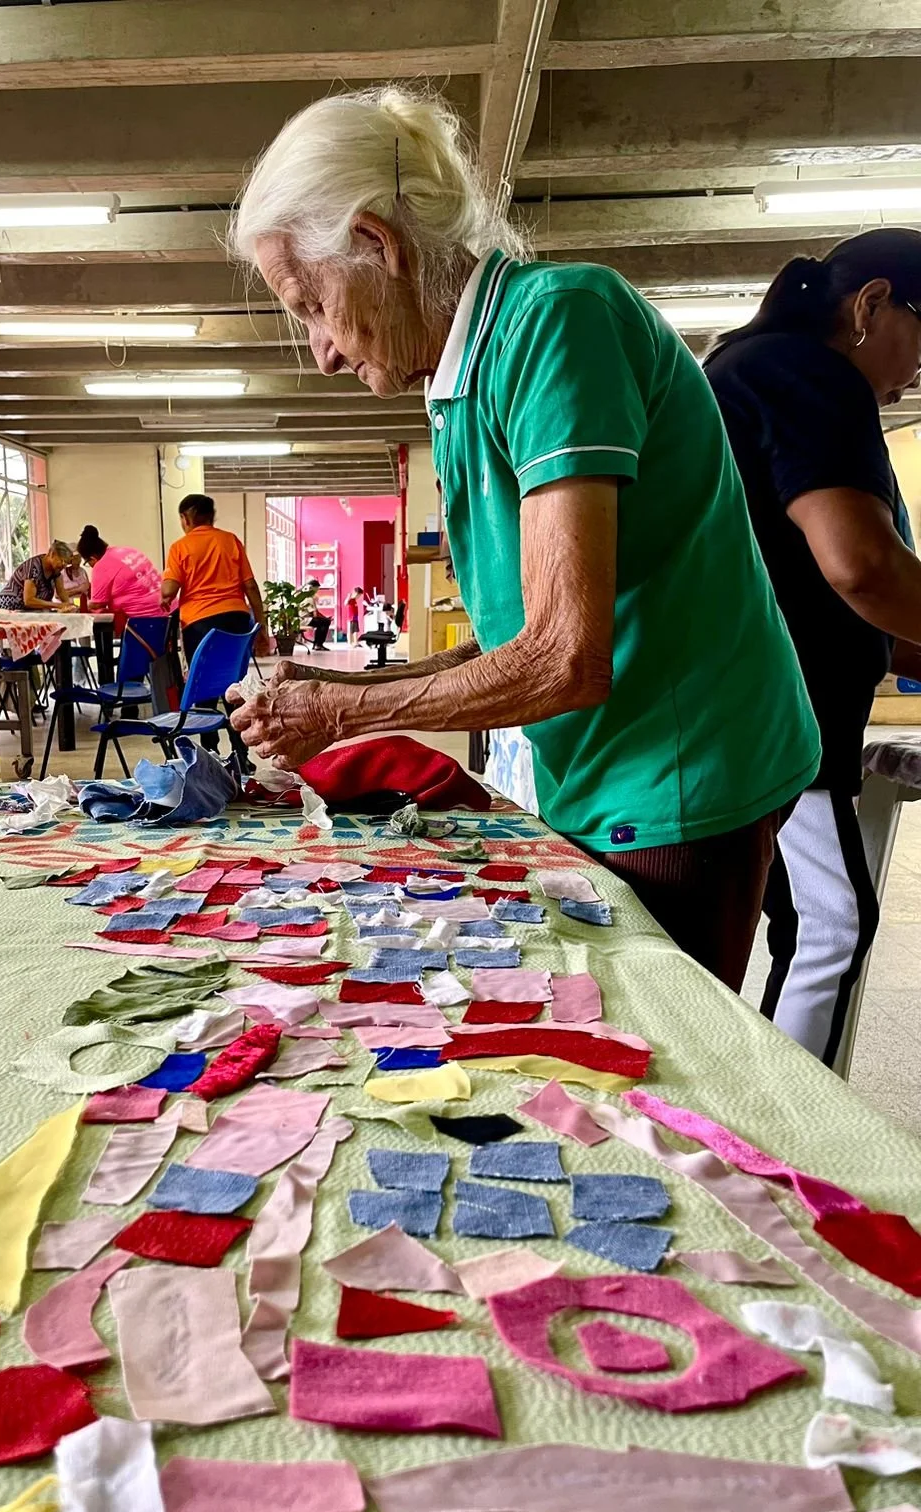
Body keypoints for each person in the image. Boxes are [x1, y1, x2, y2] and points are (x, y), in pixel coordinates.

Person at [225, 84, 821, 991]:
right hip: (606, 765)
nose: (325, 352)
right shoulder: (461, 383)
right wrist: (338, 684)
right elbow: (521, 635)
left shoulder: (557, 319)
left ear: (378, 245)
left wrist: (341, 715)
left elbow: (565, 659)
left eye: (311, 305)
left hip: (681, 772)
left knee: (651, 1040)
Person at [705, 230, 921, 1064]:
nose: (915, 375)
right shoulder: (809, 375)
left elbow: (830, 588)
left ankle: (768, 1103)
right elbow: (862, 568)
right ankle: (791, 1124)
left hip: (747, 707)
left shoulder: (751, 369)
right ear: (872, 304)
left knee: (805, 920)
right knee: (832, 925)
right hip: (777, 714)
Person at [161, 493, 270, 753]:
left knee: (204, 689)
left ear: (185, 518)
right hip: (237, 621)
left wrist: (164, 594)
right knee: (235, 686)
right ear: (211, 517)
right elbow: (250, 586)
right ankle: (241, 753)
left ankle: (210, 752)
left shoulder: (180, 547)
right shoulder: (230, 541)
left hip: (199, 624)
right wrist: (262, 626)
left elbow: (169, 590)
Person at [78, 525, 166, 619]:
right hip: (169, 606)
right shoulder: (127, 550)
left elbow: (97, 604)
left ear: (92, 558)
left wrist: (82, 606)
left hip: (148, 618)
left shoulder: (101, 566)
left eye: (87, 563)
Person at [0, 542, 77, 612]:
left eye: (66, 563)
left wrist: (69, 606)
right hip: (9, 607)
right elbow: (29, 600)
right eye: (62, 561)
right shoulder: (33, 568)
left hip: (26, 611)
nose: (63, 565)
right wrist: (58, 605)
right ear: (52, 554)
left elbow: (61, 591)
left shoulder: (56, 570)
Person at [302, 579, 332, 650]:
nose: (318, 590)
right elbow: (315, 614)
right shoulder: (310, 598)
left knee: (323, 622)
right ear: (313, 588)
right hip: (305, 620)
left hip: (302, 619)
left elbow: (316, 613)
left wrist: (324, 618)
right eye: (317, 588)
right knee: (326, 622)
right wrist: (325, 619)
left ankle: (317, 644)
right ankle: (318, 644)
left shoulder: (303, 596)